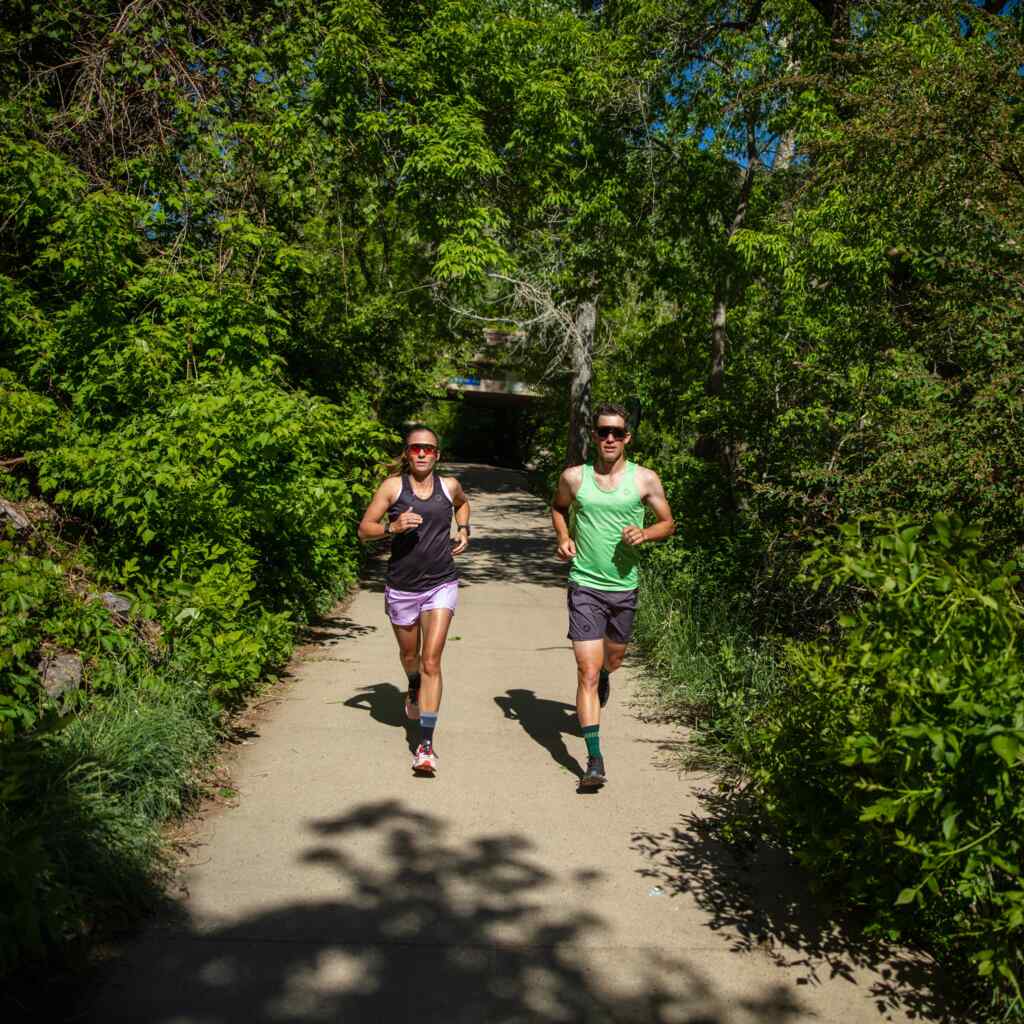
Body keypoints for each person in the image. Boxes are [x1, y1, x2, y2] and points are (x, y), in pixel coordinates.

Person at [551, 402, 675, 789]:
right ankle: (594, 759)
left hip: (624, 586)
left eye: (616, 433)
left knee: (613, 659)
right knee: (585, 671)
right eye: (603, 431)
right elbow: (557, 508)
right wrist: (564, 536)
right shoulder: (575, 477)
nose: (609, 438)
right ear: (593, 435)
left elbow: (668, 522)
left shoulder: (644, 480)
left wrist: (646, 533)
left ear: (627, 438)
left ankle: (607, 673)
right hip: (584, 583)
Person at [358, 425, 471, 775]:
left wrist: (464, 529)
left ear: (437, 454)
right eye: (415, 448)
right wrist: (392, 528)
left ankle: (425, 746)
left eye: (429, 449)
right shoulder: (393, 488)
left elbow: (463, 504)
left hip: (441, 583)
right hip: (402, 586)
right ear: (407, 454)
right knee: (411, 656)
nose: (422, 453)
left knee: (432, 660)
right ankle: (413, 684)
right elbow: (365, 530)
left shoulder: (448, 486)